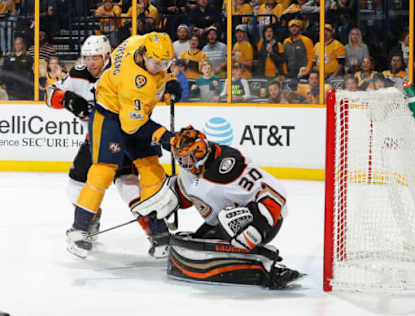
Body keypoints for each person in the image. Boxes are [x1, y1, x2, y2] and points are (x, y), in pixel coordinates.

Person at [65, 32, 183, 259]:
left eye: (166, 63)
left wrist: (169, 80)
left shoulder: (141, 43)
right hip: (110, 117)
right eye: (157, 63)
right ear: (144, 55)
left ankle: (159, 235)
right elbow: (133, 127)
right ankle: (79, 229)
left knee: (151, 169)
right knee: (103, 171)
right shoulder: (136, 82)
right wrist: (166, 137)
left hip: (132, 114)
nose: (161, 67)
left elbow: (157, 63)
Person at [165, 126, 303, 289]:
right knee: (200, 239)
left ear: (199, 151)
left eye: (186, 158)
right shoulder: (192, 165)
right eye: (179, 158)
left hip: (263, 220)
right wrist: (169, 201)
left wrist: (258, 227)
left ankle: (265, 265)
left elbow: (274, 193)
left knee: (227, 219)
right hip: (224, 218)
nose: (183, 163)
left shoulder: (228, 165)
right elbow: (191, 194)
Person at [45, 35, 143, 255]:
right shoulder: (78, 73)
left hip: (123, 138)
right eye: (87, 57)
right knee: (75, 184)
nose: (91, 62)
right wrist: (66, 99)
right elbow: (49, 95)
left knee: (127, 183)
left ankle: (156, 232)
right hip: (94, 141)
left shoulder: (120, 72)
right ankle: (90, 221)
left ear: (107, 56)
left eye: (96, 57)